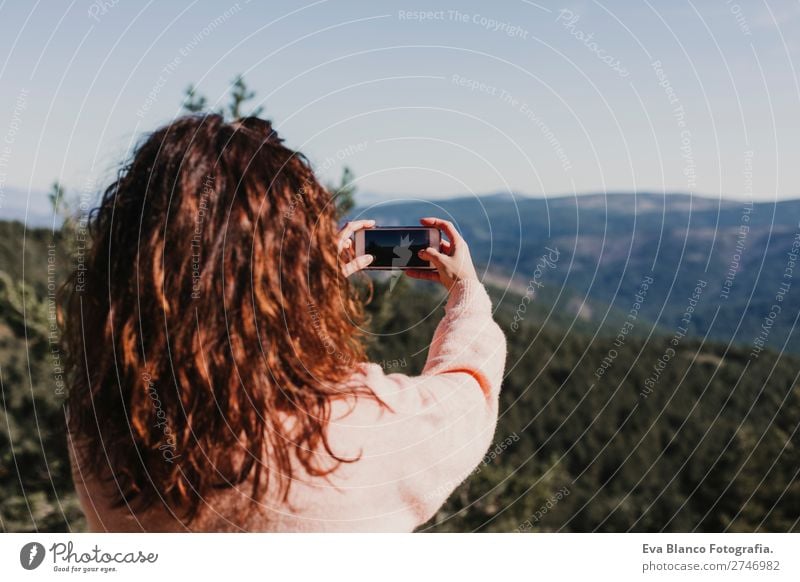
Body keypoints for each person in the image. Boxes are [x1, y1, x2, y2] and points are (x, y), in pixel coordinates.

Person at [62, 114, 507, 532]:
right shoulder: (352, 440)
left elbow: (220, 346)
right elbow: (466, 395)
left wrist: (300, 295)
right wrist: (465, 292)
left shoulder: (103, 424)